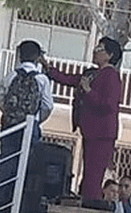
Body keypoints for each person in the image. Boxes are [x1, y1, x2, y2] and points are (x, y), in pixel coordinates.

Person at [46, 37, 123, 202]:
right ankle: (85, 201)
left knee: (93, 176)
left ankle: (89, 206)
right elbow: (70, 79)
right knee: (88, 173)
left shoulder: (112, 76)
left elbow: (109, 105)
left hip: (102, 133)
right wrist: (49, 69)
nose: (95, 51)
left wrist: (89, 91)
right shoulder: (92, 74)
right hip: (91, 131)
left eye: (100, 48)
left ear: (110, 55)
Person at [0, 40, 53, 213]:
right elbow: (48, 105)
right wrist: (34, 120)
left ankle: (2, 205)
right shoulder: (41, 79)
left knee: (7, 164)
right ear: (37, 57)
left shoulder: (10, 75)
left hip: (10, 127)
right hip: (30, 127)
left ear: (20, 55)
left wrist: (11, 114)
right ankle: (24, 207)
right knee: (29, 166)